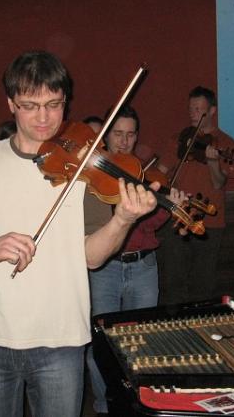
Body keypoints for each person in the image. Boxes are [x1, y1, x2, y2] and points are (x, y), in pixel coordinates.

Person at [0, 51, 158, 417]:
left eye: (54, 105)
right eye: (30, 106)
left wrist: (122, 220)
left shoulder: (84, 166)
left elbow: (92, 256)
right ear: (11, 103)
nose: (44, 118)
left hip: (61, 341)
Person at [87, 105, 185, 416]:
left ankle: (138, 405)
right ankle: (105, 406)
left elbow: (149, 226)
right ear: (106, 135)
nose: (124, 141)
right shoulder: (91, 174)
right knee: (102, 344)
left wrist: (169, 208)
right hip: (104, 269)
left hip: (143, 266)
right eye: (118, 134)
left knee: (143, 342)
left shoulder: (145, 176)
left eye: (130, 134)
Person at [156, 86, 234, 305]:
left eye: (198, 109)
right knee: (173, 280)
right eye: (191, 108)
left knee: (203, 282)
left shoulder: (226, 143)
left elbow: (219, 183)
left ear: (212, 111)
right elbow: (160, 173)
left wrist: (212, 161)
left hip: (209, 222)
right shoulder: (179, 139)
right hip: (177, 218)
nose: (193, 114)